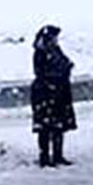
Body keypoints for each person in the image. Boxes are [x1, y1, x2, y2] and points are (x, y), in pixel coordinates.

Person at [31, 25, 77, 167]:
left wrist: (65, 70)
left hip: (59, 93)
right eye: (54, 38)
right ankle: (44, 157)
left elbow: (66, 64)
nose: (56, 40)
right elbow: (41, 72)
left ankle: (58, 155)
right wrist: (57, 77)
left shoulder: (55, 50)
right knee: (45, 128)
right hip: (45, 93)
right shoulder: (40, 53)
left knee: (58, 127)